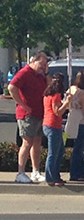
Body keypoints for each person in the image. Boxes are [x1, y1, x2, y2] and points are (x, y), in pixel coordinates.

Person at [8, 51, 50, 183]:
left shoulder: (40, 76)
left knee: (37, 142)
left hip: (39, 113)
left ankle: (35, 171)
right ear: (33, 61)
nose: (42, 67)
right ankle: (20, 172)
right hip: (27, 114)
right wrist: (22, 104)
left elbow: (50, 86)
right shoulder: (24, 72)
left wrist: (47, 72)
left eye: (45, 65)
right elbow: (12, 87)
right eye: (41, 64)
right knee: (27, 142)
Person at [43, 73, 71, 186]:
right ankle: (50, 177)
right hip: (52, 125)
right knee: (54, 153)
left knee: (60, 151)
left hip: (50, 125)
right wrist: (66, 103)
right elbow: (57, 112)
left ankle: (55, 175)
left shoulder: (46, 95)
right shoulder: (55, 96)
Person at [67, 70, 84, 181]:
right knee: (79, 148)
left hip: (71, 119)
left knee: (75, 146)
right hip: (81, 122)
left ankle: (80, 172)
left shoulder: (71, 89)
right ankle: (76, 173)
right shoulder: (82, 93)